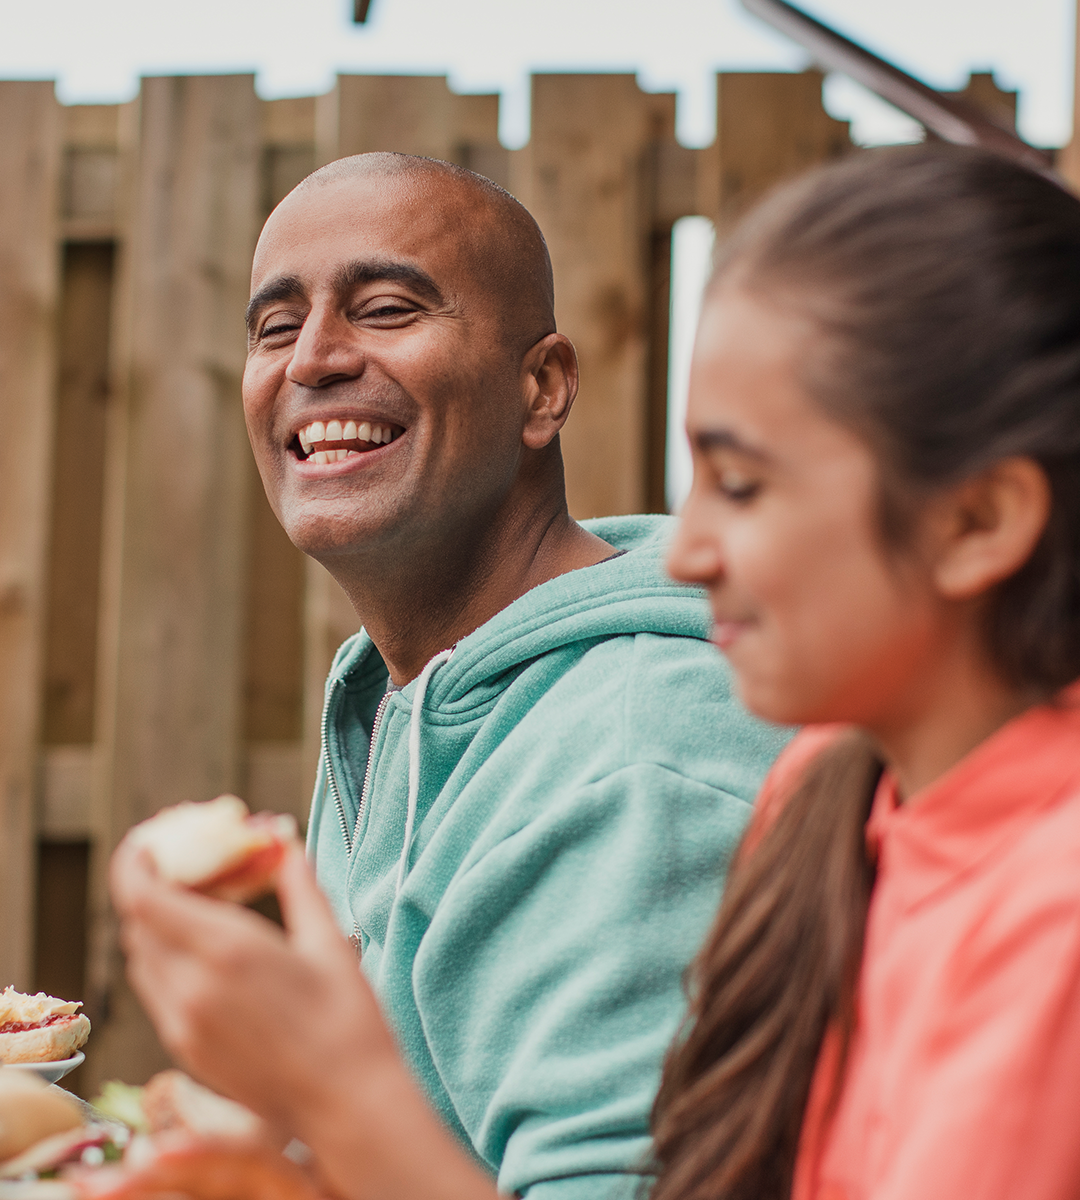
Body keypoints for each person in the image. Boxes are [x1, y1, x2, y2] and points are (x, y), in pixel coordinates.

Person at [112, 153, 787, 1200]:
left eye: (384, 309)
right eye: (275, 326)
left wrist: (328, 1097)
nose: (314, 361)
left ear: (543, 385)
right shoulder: (405, 697)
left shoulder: (634, 759)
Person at [652, 145, 1080, 1200]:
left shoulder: (1054, 907)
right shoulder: (826, 788)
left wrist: (353, 1101)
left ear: (976, 521)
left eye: (741, 485)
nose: (682, 552)